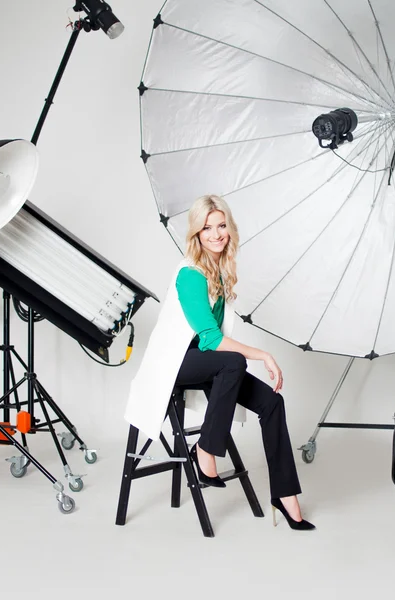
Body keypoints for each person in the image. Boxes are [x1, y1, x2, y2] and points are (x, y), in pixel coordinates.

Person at [125, 195, 314, 531]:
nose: (216, 234)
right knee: (234, 364)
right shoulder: (190, 275)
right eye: (207, 227)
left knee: (272, 402)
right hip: (174, 364)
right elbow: (210, 339)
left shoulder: (219, 274)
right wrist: (264, 355)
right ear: (196, 234)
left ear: (230, 228)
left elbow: (213, 346)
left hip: (208, 365)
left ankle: (285, 496)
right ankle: (206, 449)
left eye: (221, 225)